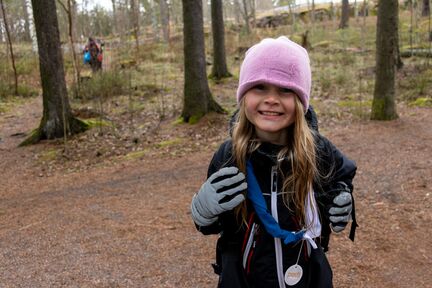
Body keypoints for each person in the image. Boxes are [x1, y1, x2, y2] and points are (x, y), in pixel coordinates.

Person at [190, 36, 357, 288]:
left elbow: (342, 177)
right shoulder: (229, 156)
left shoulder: (319, 150)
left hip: (308, 276)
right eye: (260, 88)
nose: (271, 99)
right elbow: (214, 223)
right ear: (244, 96)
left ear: (301, 102)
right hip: (243, 280)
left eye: (286, 90)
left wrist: (343, 198)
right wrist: (203, 213)